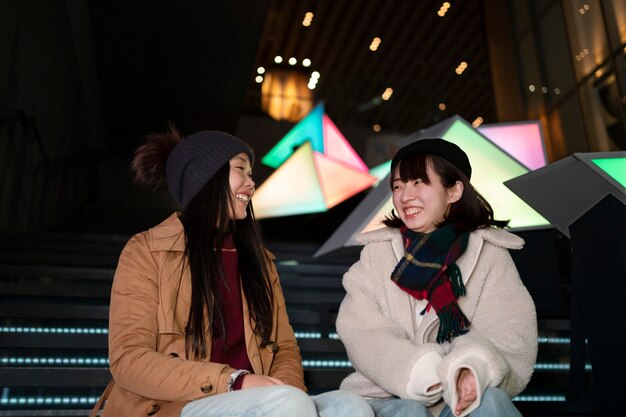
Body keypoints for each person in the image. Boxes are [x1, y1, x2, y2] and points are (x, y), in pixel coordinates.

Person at [99, 128, 373, 417]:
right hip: (177, 406)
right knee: (288, 404)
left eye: (251, 173)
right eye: (240, 170)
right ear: (205, 178)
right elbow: (129, 359)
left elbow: (284, 348)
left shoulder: (260, 262)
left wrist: (287, 389)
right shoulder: (147, 251)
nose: (251, 183)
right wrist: (233, 382)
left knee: (350, 406)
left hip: (263, 403)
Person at [335, 138, 538, 417]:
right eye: (398, 186)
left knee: (490, 403)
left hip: (461, 396)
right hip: (385, 395)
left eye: (418, 182)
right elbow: (361, 330)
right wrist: (418, 371)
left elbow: (512, 334)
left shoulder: (489, 254)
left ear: (454, 191)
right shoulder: (377, 254)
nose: (405, 195)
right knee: (408, 412)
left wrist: (471, 368)